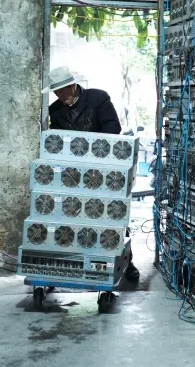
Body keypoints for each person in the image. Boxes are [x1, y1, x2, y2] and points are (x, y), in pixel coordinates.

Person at [42, 66, 140, 283]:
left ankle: (126, 261)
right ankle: (77, 261)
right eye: (57, 94)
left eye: (64, 92)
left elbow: (113, 130)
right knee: (75, 214)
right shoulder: (55, 111)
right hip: (74, 175)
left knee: (113, 216)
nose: (62, 97)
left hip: (104, 169)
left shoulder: (98, 99)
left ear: (73, 85)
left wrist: (92, 153)